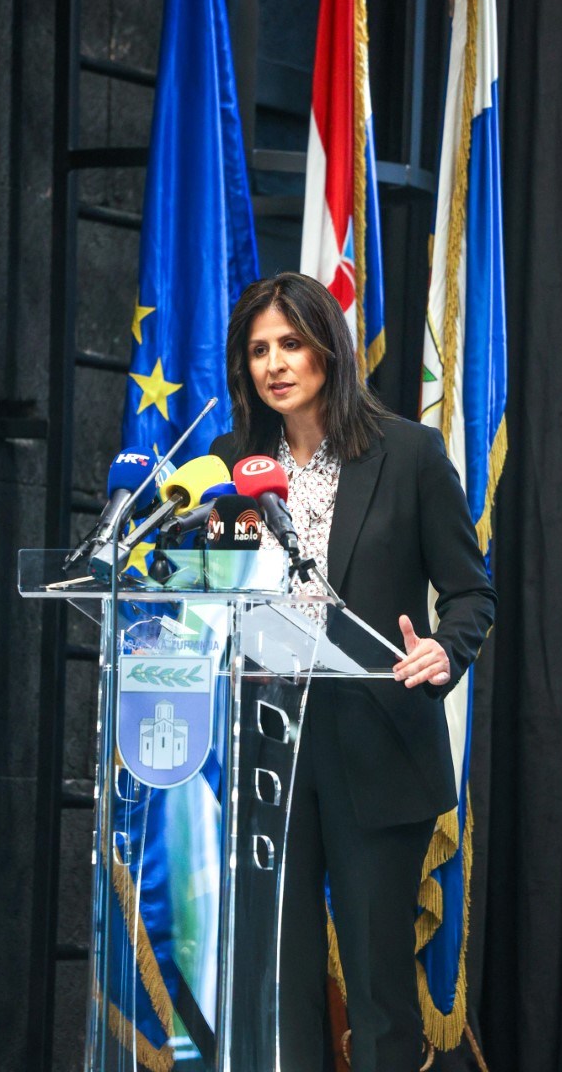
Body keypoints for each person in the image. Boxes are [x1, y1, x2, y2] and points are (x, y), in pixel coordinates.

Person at [210, 272, 496, 1072]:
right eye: (258, 350)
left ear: (328, 350)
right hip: (269, 739)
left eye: (290, 344)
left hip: (375, 739)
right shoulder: (230, 463)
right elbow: (213, 589)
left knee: (377, 990)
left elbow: (471, 592)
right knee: (280, 981)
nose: (274, 364)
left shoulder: (408, 453)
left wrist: (444, 649)